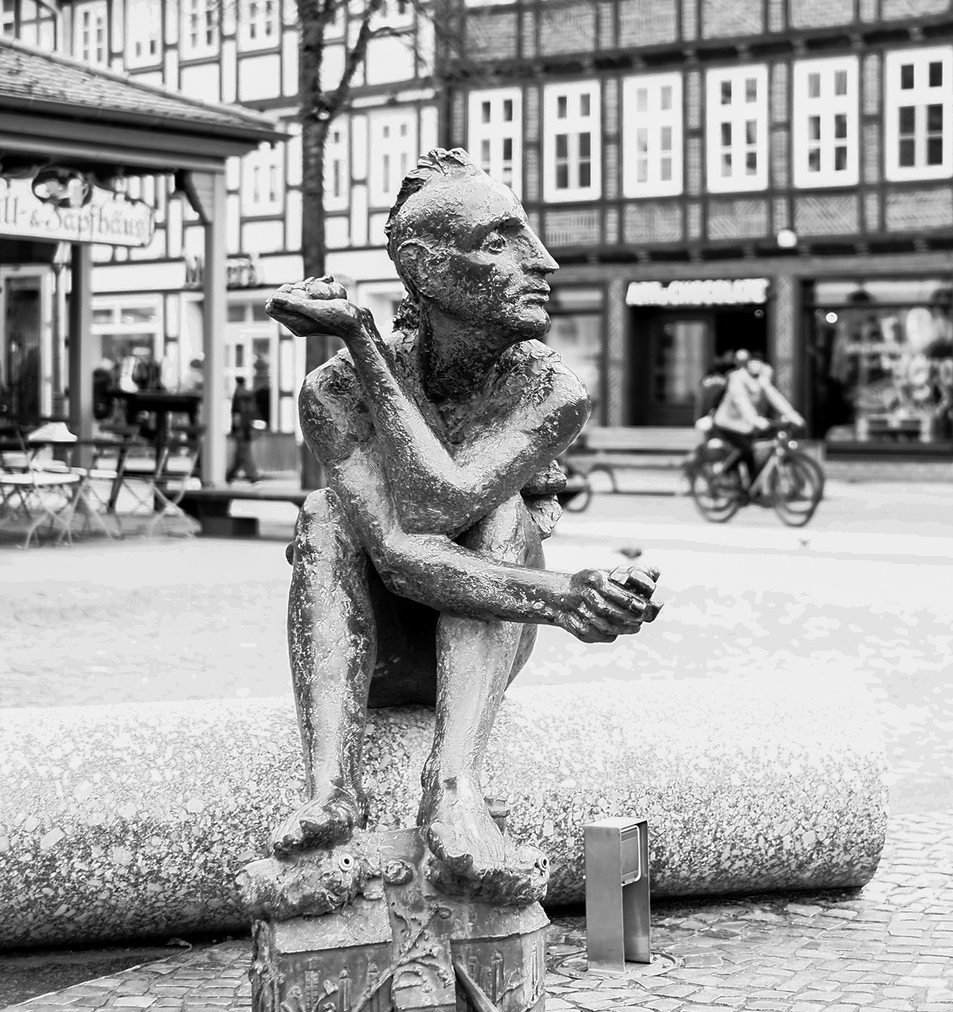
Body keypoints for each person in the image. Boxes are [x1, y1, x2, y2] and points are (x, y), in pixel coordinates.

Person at [260, 147, 660, 906]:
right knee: (324, 514)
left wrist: (555, 595)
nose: (541, 261)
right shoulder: (335, 389)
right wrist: (560, 595)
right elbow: (412, 540)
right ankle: (327, 790)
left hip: (479, 648)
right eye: (500, 240)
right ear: (426, 267)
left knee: (500, 510)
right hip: (374, 656)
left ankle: (453, 784)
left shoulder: (545, 387)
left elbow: (455, 507)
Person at [703, 350, 803, 494]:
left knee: (757, 454)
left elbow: (774, 396)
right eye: (753, 362)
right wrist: (755, 420)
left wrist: (792, 415)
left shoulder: (762, 378)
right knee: (746, 450)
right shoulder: (737, 378)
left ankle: (752, 490)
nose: (756, 366)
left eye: (759, 363)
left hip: (747, 426)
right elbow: (741, 401)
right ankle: (723, 473)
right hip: (727, 423)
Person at [227, 376, 263, 484]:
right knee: (241, 453)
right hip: (247, 427)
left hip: (241, 430)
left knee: (243, 453)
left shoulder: (237, 395)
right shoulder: (248, 395)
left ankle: (252, 476)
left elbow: (236, 414)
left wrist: (236, 428)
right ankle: (230, 475)